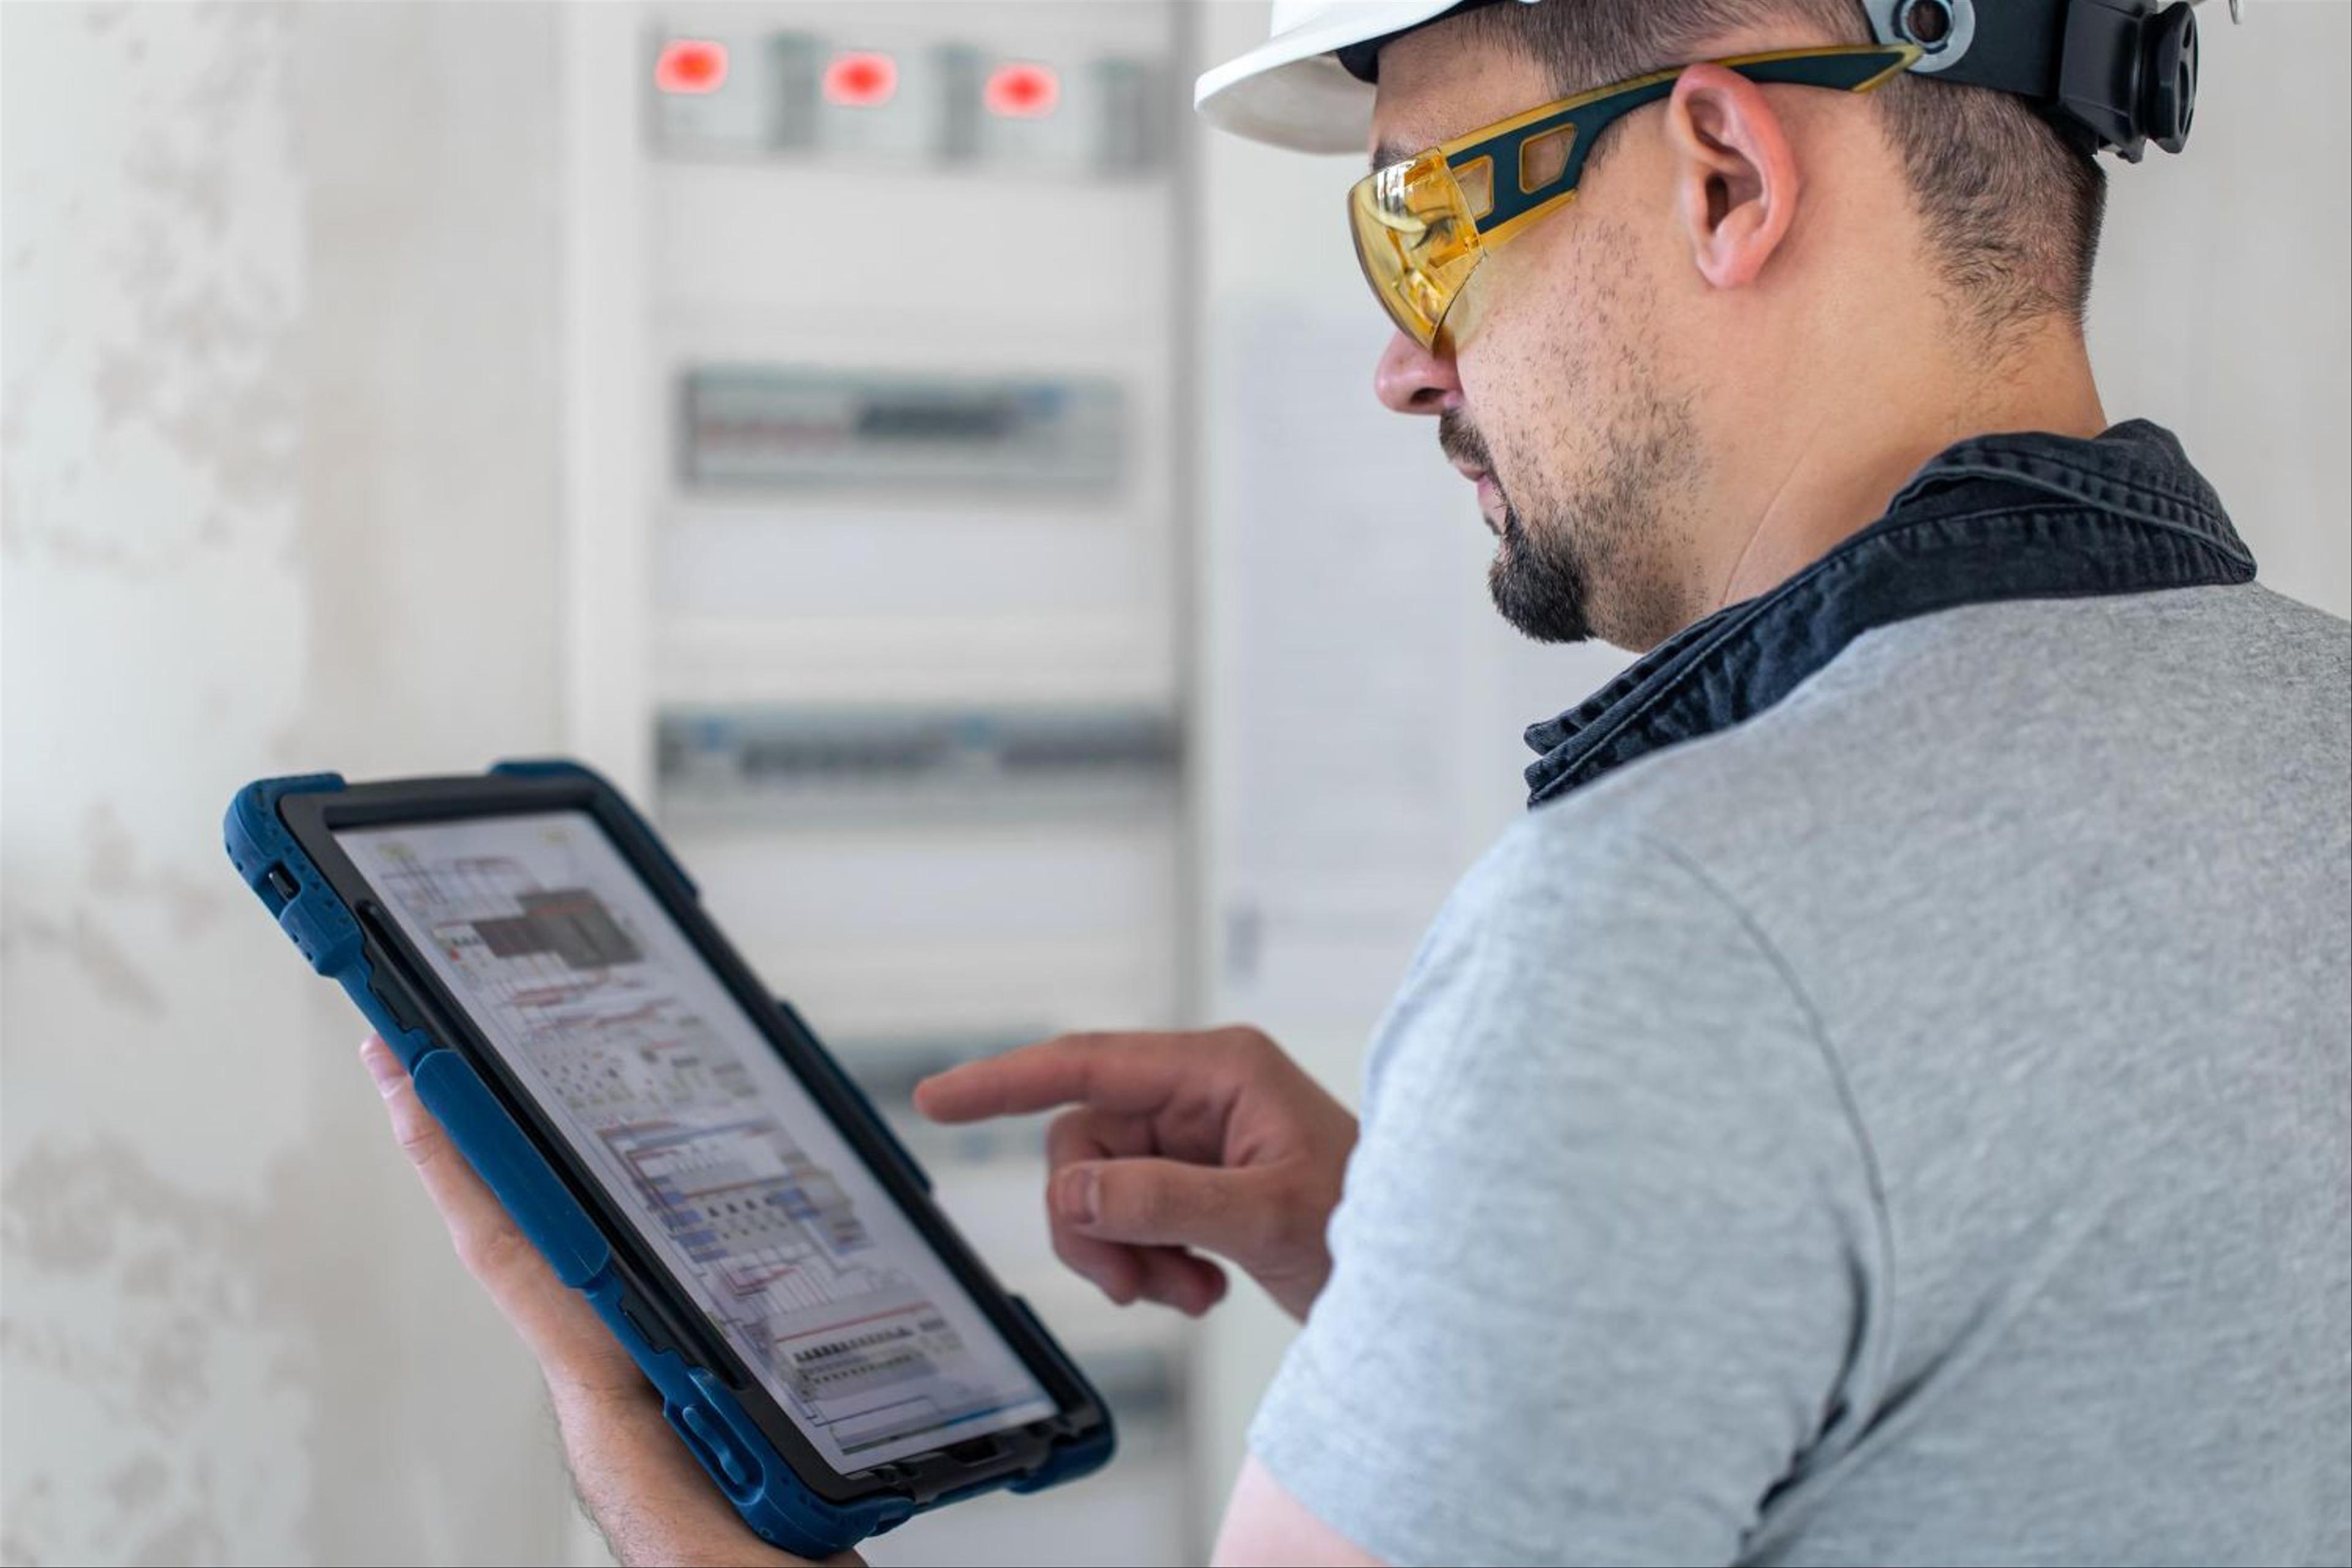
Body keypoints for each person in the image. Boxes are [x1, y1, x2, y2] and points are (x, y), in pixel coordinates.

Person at [363, 1, 2352, 1563]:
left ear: (1727, 173)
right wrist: (1452, 1261)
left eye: (1416, 220)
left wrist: (652, 1482)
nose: (1403, 364)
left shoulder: (1680, 932)